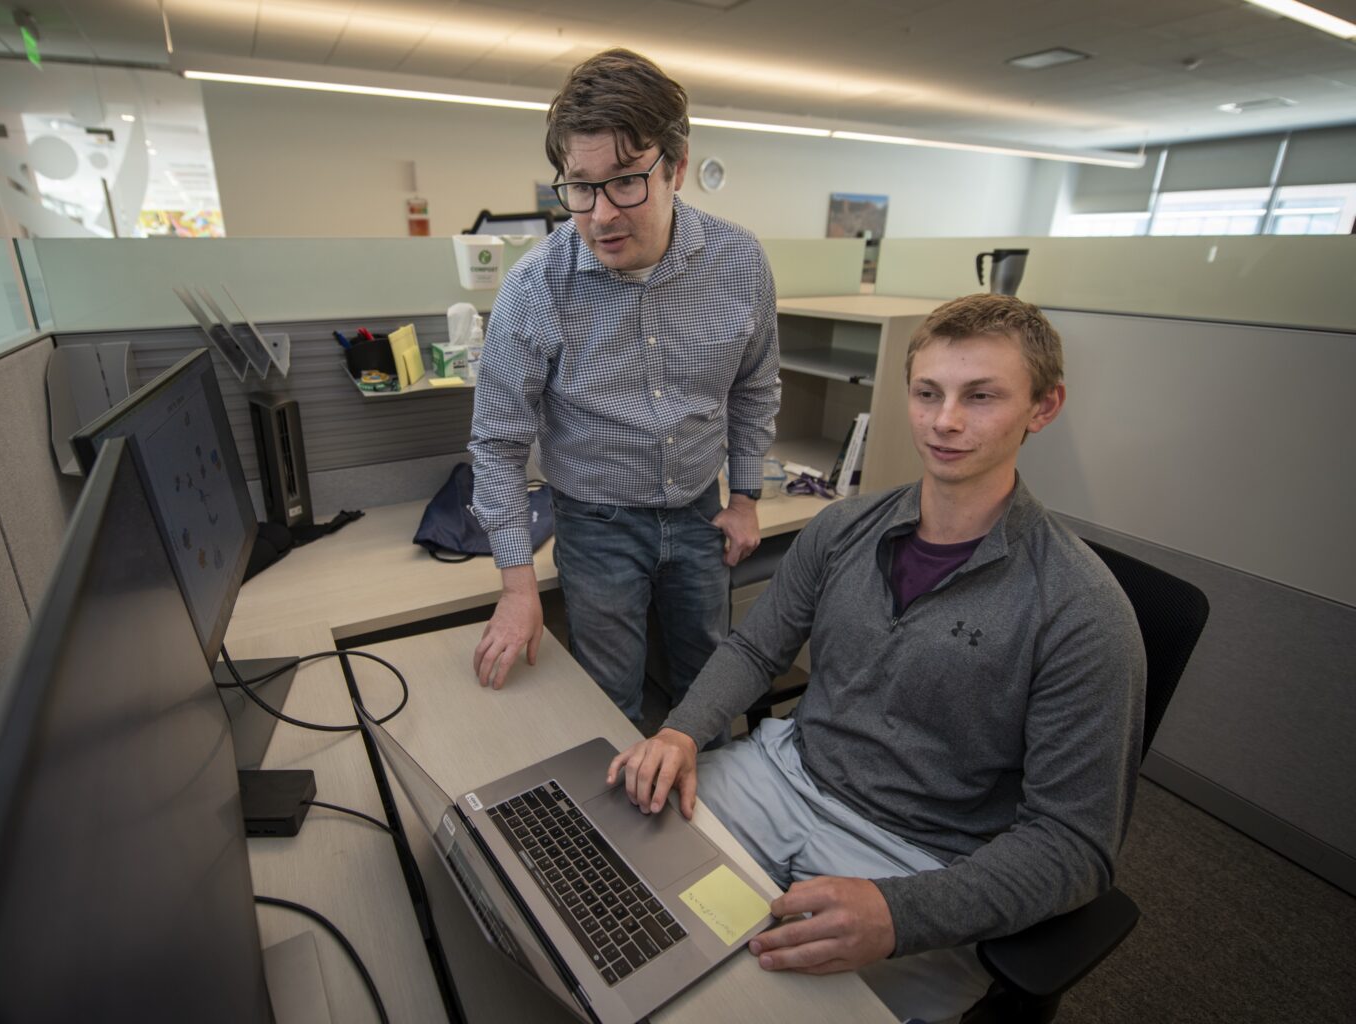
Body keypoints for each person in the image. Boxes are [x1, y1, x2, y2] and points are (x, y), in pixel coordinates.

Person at [606, 294, 1146, 1023]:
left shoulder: (1081, 610)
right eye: (928, 393)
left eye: (980, 397)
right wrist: (680, 730)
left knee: (751, 1007)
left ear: (1042, 408)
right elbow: (755, 647)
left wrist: (902, 915)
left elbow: (1074, 845)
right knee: (617, 909)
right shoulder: (842, 529)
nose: (944, 421)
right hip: (782, 776)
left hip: (920, 859)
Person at [468, 49, 781, 724]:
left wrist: (748, 496)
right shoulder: (535, 288)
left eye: (624, 183)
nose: (602, 214)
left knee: (712, 688)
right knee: (608, 701)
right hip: (594, 521)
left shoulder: (740, 263)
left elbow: (753, 386)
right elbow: (496, 447)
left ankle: (718, 824)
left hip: (701, 511)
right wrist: (517, 586)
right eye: (580, 186)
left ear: (675, 166)